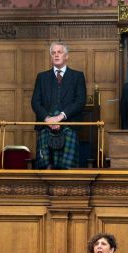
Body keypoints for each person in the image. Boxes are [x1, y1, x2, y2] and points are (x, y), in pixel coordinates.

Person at [31, 41, 86, 169]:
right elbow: (35, 102)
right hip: (45, 127)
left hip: (69, 127)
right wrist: (47, 119)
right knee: (45, 168)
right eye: (53, 53)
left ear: (66, 56)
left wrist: (60, 117)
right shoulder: (42, 77)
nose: (56, 55)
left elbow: (80, 101)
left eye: (59, 52)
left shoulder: (77, 76)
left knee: (67, 169)